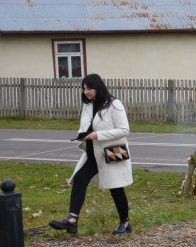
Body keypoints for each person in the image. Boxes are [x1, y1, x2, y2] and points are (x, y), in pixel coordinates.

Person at [49, 74, 133, 237]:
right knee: (80, 179)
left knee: (116, 187)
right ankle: (72, 220)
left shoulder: (114, 105)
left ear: (98, 87)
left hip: (112, 151)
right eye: (84, 89)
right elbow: (87, 124)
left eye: (90, 88)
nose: (86, 92)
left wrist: (97, 135)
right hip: (92, 152)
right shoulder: (88, 105)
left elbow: (124, 130)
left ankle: (125, 223)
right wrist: (82, 133)